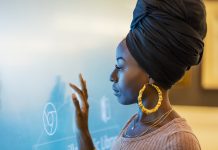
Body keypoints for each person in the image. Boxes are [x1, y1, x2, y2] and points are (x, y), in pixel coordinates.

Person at [69, 0, 207, 149]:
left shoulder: (179, 141)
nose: (112, 76)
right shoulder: (134, 124)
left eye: (120, 66)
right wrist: (81, 130)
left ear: (150, 70)